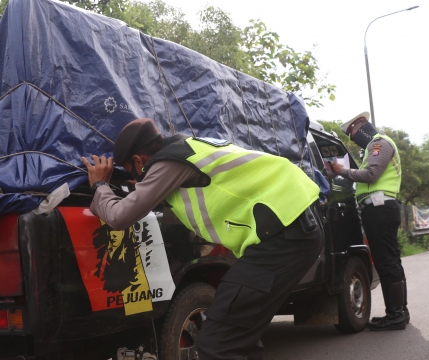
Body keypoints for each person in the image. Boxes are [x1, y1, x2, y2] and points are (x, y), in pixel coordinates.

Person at [81, 118, 324, 360]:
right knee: (238, 338)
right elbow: (192, 204)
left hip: (284, 237)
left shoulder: (169, 163)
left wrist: (100, 185)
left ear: (138, 161)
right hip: (294, 228)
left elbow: (119, 216)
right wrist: (145, 188)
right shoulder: (189, 148)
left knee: (217, 343)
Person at [330, 111, 408, 331]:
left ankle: (396, 315)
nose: (353, 138)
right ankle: (400, 312)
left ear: (361, 127)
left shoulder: (379, 144)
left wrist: (342, 171)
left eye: (353, 133)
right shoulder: (372, 148)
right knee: (390, 261)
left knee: (387, 263)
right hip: (378, 208)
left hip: (380, 208)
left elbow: (371, 174)